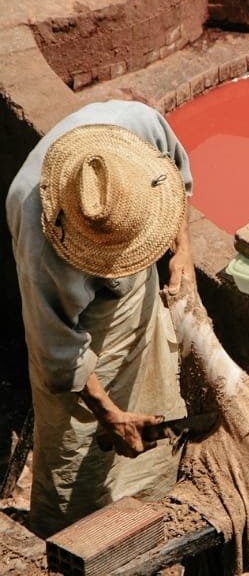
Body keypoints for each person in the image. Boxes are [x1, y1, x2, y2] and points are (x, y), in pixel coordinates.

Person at [6, 100, 196, 538]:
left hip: (134, 297)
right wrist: (110, 415)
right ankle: (78, 538)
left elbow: (178, 179)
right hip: (81, 332)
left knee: (154, 400)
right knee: (78, 456)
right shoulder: (42, 239)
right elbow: (59, 353)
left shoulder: (137, 126)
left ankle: (147, 503)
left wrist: (181, 250)